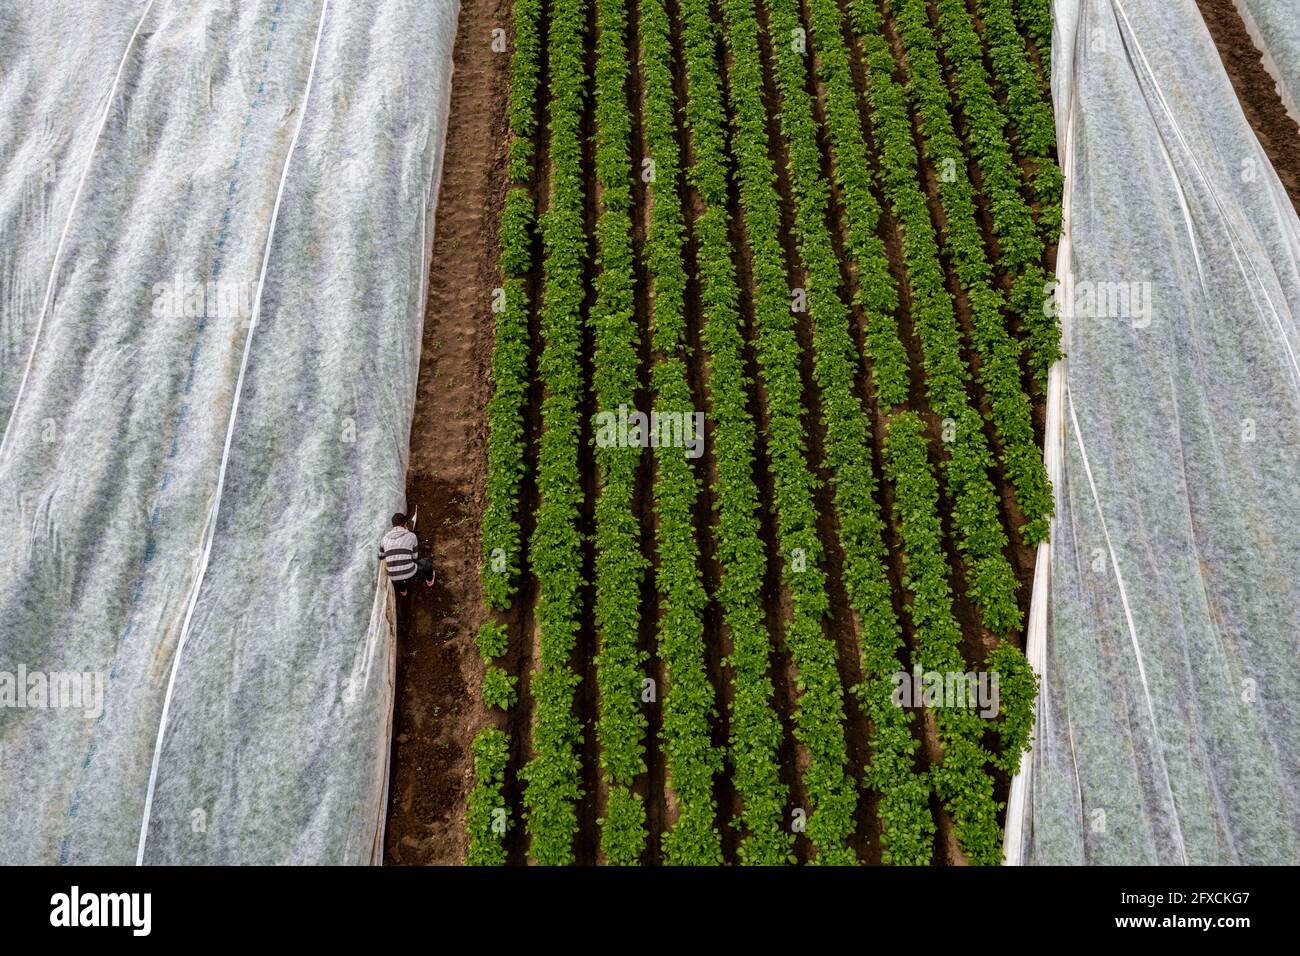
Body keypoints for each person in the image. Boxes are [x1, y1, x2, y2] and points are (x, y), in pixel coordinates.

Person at [378, 512, 434, 597]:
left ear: (392, 525)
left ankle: (403, 591)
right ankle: (429, 581)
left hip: (393, 577)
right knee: (426, 563)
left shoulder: (384, 539)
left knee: (398, 579)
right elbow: (415, 557)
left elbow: (381, 556)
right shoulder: (412, 536)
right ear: (405, 524)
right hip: (410, 573)